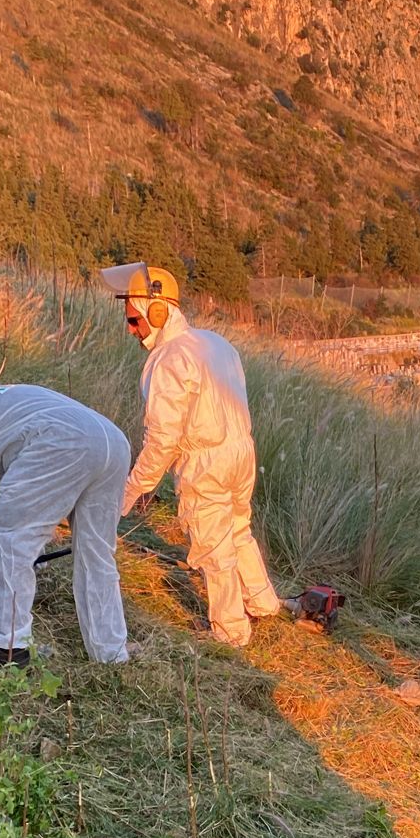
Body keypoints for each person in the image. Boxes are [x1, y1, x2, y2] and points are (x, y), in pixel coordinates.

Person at [102, 261, 281, 648]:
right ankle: (263, 602)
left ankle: (230, 631)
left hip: (206, 462)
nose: (131, 329)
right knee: (238, 529)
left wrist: (130, 492)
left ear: (158, 312)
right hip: (242, 453)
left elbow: (162, 440)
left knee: (214, 548)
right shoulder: (216, 343)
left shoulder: (169, 360)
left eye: (134, 320)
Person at [0, 376, 130, 666]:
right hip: (113, 441)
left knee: (7, 535)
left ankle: (6, 645)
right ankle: (111, 653)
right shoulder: (5, 399)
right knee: (98, 552)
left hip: (65, 439)